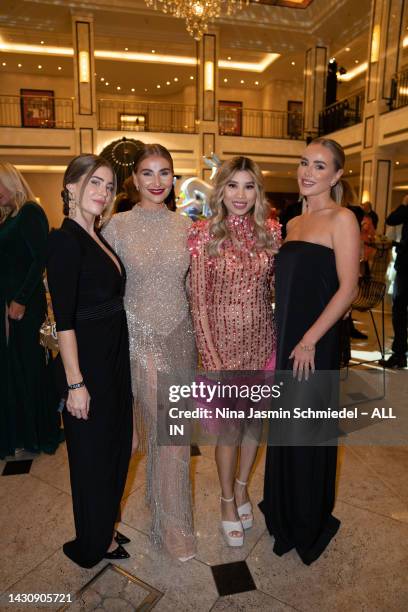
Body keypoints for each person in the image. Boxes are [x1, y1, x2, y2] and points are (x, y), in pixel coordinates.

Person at [260, 138, 360, 565]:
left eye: (320, 167)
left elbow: (348, 290)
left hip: (314, 343)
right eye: (304, 163)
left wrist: (309, 340)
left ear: (336, 176)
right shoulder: (294, 222)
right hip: (288, 340)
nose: (307, 172)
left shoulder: (343, 219)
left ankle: (307, 519)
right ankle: (283, 510)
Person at [103, 143, 196, 561]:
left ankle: (171, 522)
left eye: (165, 173)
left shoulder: (187, 227)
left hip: (180, 336)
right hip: (137, 337)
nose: (157, 182)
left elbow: (194, 287)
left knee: (174, 437)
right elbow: (102, 290)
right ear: (135, 179)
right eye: (148, 173)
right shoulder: (116, 227)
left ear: (173, 178)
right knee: (147, 436)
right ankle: (148, 517)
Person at [188, 157, 280, 547]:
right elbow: (198, 303)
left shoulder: (272, 234)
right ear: (220, 190)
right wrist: (211, 358)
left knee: (255, 424)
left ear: (257, 191)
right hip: (222, 351)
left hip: (263, 346)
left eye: (249, 186)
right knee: (228, 430)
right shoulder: (202, 235)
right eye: (233, 186)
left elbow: (275, 291)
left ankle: (242, 488)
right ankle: (226, 500)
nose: (240, 195)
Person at [47, 154, 133, 568]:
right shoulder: (64, 239)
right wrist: (75, 384)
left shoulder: (97, 235)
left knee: (115, 449)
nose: (103, 192)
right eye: (95, 183)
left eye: (109, 186)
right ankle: (92, 542)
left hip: (113, 359)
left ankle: (106, 527)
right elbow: (64, 320)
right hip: (89, 366)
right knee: (91, 459)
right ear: (70, 187)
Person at [0, 162, 62, 459]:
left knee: (32, 368)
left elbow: (40, 259)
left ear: (11, 181)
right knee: (18, 369)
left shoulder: (29, 212)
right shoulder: (10, 215)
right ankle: (24, 432)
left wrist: (21, 300)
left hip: (25, 305)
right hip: (11, 303)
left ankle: (41, 433)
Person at [379, 194, 408, 369]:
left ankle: (399, 355)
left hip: (407, 267)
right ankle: (399, 354)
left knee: (400, 309)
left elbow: (391, 219)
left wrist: (404, 203)